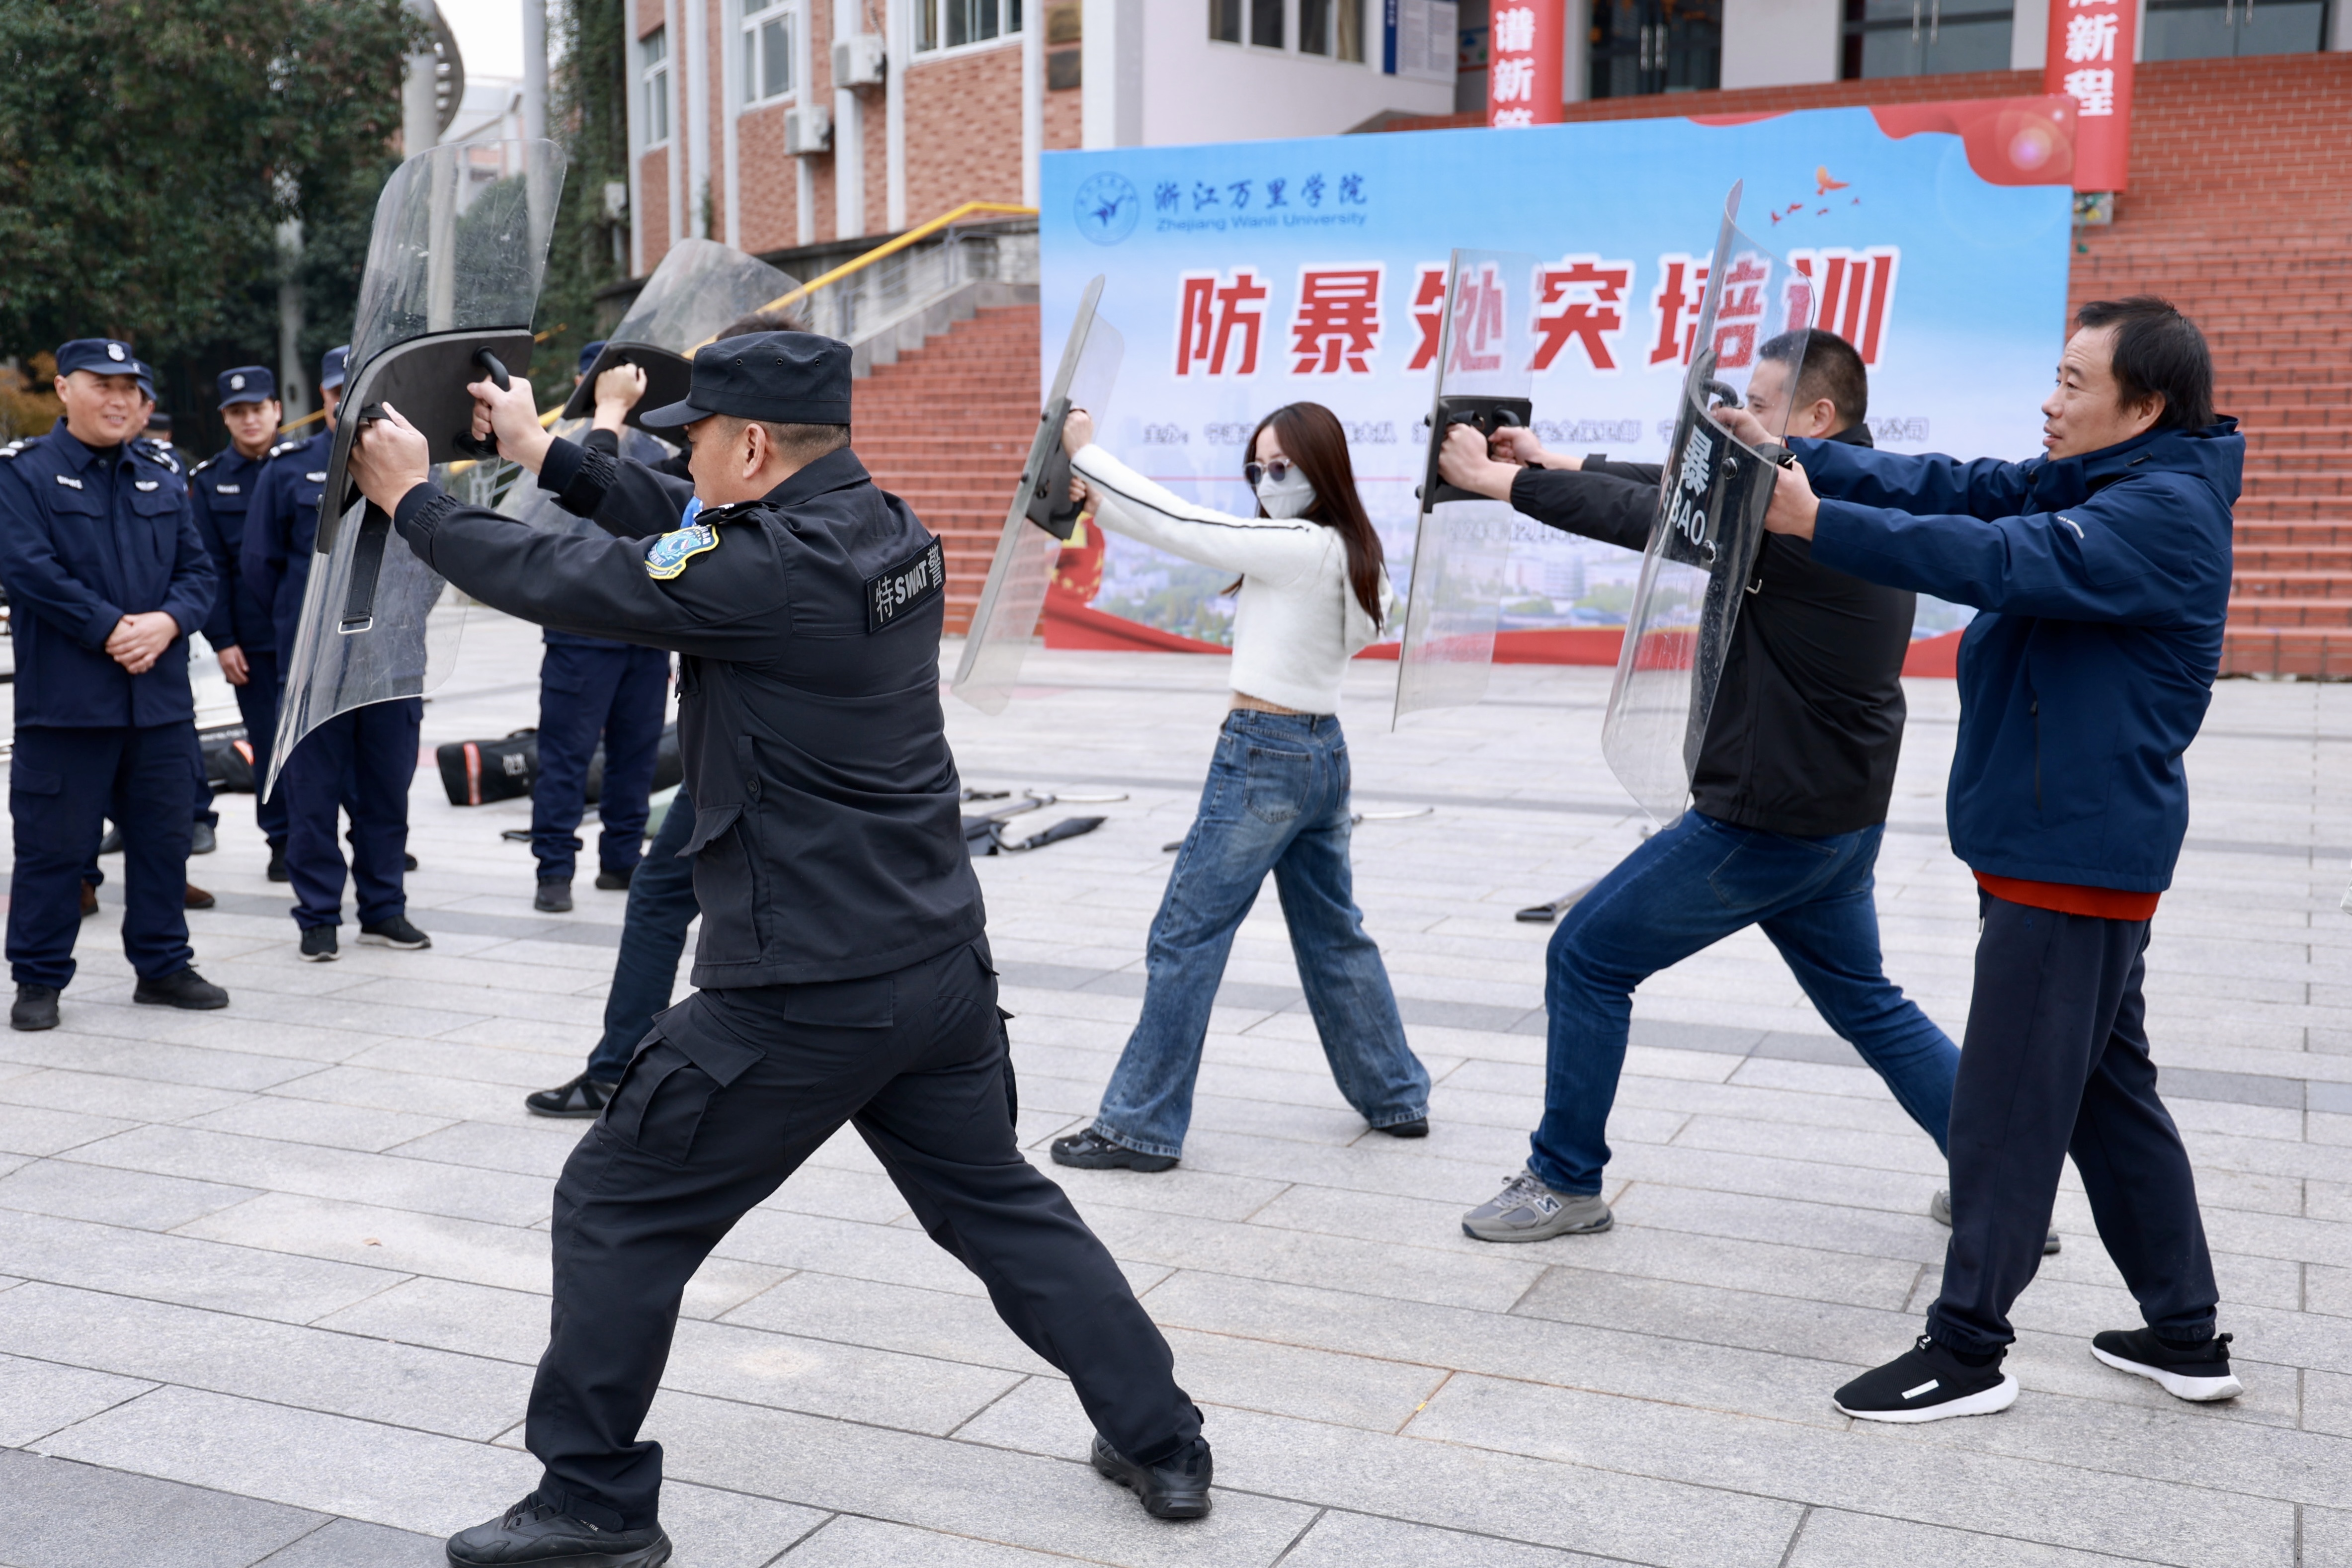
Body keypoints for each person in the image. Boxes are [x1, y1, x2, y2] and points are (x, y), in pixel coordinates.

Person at [349, 332, 1212, 1564]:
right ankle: (1164, 1436)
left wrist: (417, 501)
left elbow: (580, 578)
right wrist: (550, 450)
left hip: (804, 983)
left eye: (696, 436)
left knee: (614, 1204)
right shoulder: (885, 525)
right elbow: (690, 533)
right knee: (999, 1204)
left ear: (752, 445)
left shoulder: (766, 570)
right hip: (935, 963)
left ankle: (592, 1501)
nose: (682, 454)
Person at [1728, 297, 2242, 1421]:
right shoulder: (2110, 479)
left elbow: (1987, 555)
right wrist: (1793, 455)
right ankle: (2184, 1330)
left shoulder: (2157, 512)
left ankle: (1965, 1349)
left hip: (2070, 854)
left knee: (2007, 1107)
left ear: (2142, 404)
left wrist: (1818, 523)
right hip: (2072, 842)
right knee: (2107, 1091)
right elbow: (1957, 487)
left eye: (2071, 383)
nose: (2048, 403)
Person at [1432, 330, 2048, 1258]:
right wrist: (1557, 456)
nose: (1740, 418)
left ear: (1817, 418)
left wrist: (1495, 483)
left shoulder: (1802, 518)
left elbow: (1641, 514)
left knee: (1587, 958)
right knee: (1865, 1000)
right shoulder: (1853, 492)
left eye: (1759, 405)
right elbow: (1674, 488)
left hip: (1766, 814)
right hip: (1835, 812)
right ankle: (2002, 1187)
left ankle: (1563, 1178)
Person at [1047, 402, 1432, 1174]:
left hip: (1263, 752)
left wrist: (1086, 453)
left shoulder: (1297, 545)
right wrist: (1100, 496)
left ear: (1321, 468)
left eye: (1282, 466)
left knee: (1184, 935)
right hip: (1321, 751)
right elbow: (1177, 528)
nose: (1267, 480)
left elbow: (1186, 525)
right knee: (1333, 933)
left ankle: (1138, 1125)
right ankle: (1395, 1092)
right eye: (1257, 468)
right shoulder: (1351, 551)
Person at [520, 307, 799, 1119]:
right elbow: (621, 496)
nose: (690, 429)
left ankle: (638, 1072)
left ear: (750, 433)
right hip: (755, 748)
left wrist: (604, 417)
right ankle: (626, 1066)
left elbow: (603, 518)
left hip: (757, 758)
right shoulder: (809, 489)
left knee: (688, 902)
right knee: (674, 891)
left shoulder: (738, 514)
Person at [0, 338, 230, 1031]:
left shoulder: (161, 471)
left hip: (158, 704)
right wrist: (109, 628)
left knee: (163, 842)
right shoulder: (25, 474)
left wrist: (164, 623)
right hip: (68, 707)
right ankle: (39, 977)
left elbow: (201, 573)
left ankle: (162, 965)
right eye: (102, 385)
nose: (119, 398)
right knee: (54, 851)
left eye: (129, 387)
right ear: (64, 390)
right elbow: (27, 569)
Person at [243, 345, 432, 962]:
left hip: (392, 664)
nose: (351, 404)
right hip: (314, 669)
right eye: (337, 392)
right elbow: (260, 567)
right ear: (323, 399)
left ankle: (384, 909)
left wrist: (398, 627)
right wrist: (304, 636)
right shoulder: (288, 469)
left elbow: (435, 563)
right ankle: (318, 916)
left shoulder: (419, 465)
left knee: (386, 793)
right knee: (313, 797)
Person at [522, 335, 670, 914]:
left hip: (644, 631)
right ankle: (554, 869)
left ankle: (620, 860)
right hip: (581, 633)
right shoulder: (553, 450)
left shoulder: (657, 458)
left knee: (636, 755)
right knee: (566, 756)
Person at [188, 365, 292, 875]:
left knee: (334, 741)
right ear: (226, 419)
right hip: (253, 643)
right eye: (237, 412)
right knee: (270, 741)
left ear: (277, 409)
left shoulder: (307, 466)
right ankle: (282, 842)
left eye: (257, 408)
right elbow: (210, 567)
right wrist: (224, 640)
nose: (249, 419)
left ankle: (362, 833)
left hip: (311, 635)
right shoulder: (209, 483)